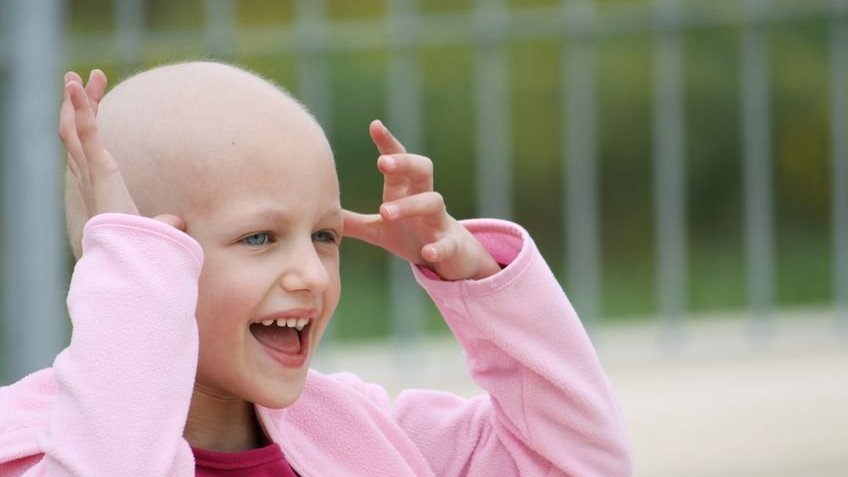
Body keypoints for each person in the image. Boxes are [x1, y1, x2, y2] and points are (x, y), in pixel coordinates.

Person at [0, 61, 632, 476]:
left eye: (325, 234)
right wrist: (131, 268)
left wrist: (479, 283)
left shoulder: (361, 433)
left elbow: (573, 462)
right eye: (259, 237)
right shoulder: (35, 447)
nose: (313, 274)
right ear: (132, 264)